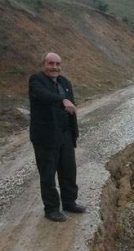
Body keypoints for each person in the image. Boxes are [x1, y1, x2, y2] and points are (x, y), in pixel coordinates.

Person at [29, 52, 86, 222]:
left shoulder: (65, 82)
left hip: (65, 135)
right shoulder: (36, 80)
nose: (54, 67)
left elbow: (72, 111)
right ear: (43, 65)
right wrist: (62, 100)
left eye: (57, 64)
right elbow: (43, 96)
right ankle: (52, 209)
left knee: (69, 170)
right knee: (48, 174)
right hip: (45, 137)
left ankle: (69, 202)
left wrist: (74, 132)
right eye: (51, 63)